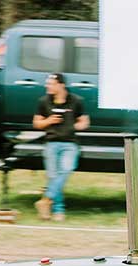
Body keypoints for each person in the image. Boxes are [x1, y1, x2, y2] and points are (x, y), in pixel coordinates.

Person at [32, 73, 90, 221]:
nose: (47, 86)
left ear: (61, 85)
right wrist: (49, 121)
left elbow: (85, 122)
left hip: (70, 143)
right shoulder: (43, 101)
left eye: (51, 83)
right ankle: (58, 210)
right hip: (51, 143)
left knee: (66, 168)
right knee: (53, 176)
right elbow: (37, 123)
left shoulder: (76, 101)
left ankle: (46, 200)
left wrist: (71, 126)